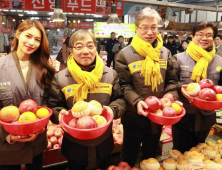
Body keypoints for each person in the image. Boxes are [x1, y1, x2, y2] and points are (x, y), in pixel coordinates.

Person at [48, 29, 126, 170]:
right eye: (79, 46)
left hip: (103, 142)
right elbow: (54, 106)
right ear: (71, 50)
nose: (85, 51)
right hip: (74, 145)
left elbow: (119, 99)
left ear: (96, 47)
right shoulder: (60, 78)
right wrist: (59, 114)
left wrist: (113, 110)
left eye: (90, 46)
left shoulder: (110, 74)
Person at [115, 7, 178, 167]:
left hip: (157, 117)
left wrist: (170, 95)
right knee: (128, 157)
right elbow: (123, 85)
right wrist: (136, 101)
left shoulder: (165, 53)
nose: (150, 32)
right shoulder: (125, 54)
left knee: (150, 157)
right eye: (145, 27)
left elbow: (172, 81)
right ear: (137, 29)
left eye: (154, 27)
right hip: (134, 116)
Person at [0, 19, 55, 170]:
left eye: (37, 39)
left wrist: (42, 123)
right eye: (28, 36)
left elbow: (47, 101)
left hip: (36, 143)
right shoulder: (1, 67)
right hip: (7, 146)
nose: (32, 42)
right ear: (18, 34)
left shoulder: (44, 69)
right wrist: (6, 135)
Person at [172, 21, 222, 153]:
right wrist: (179, 88)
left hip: (206, 117)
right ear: (193, 37)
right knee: (179, 154)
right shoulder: (178, 58)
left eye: (208, 35)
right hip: (184, 117)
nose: (204, 38)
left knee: (200, 154)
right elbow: (170, 83)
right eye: (200, 34)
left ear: (214, 38)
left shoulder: (219, 61)